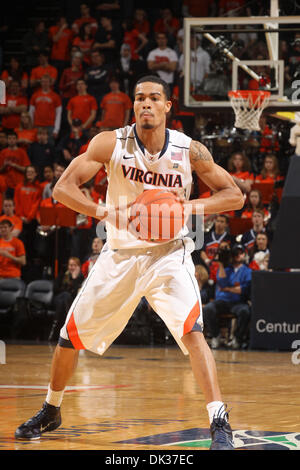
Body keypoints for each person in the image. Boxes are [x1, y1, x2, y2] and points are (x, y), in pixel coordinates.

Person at [15, 75, 244, 449]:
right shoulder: (110, 142)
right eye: (139, 99)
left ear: (168, 107)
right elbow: (63, 189)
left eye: (154, 98)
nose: (145, 104)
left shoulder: (190, 150)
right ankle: (51, 408)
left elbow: (233, 196)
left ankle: (218, 419)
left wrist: (185, 207)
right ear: (133, 105)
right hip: (120, 253)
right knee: (70, 337)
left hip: (169, 254)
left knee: (193, 331)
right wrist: (105, 212)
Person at [203, 244, 252, 350]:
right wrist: (221, 264)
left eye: (240, 253)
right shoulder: (226, 269)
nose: (238, 255)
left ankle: (237, 338)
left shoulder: (248, 271)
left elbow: (243, 290)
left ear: (244, 255)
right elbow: (221, 283)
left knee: (245, 311)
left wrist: (228, 289)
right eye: (235, 253)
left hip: (238, 302)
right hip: (223, 301)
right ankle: (216, 336)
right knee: (208, 309)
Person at [48, 257, 84, 343]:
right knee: (65, 296)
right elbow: (55, 289)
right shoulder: (63, 274)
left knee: (64, 300)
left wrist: (74, 279)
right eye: (70, 265)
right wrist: (67, 291)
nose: (72, 267)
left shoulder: (80, 278)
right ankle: (69, 325)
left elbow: (76, 294)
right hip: (58, 299)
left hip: (70, 303)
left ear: (78, 267)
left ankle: (54, 331)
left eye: (74, 265)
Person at [29, 75, 62, 143]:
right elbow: (31, 112)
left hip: (50, 126)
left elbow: (58, 114)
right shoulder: (35, 95)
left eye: (46, 82)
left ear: (50, 83)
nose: (45, 83)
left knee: (49, 147)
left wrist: (56, 129)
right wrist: (31, 125)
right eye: (43, 82)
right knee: (36, 146)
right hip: (36, 125)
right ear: (41, 83)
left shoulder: (56, 96)